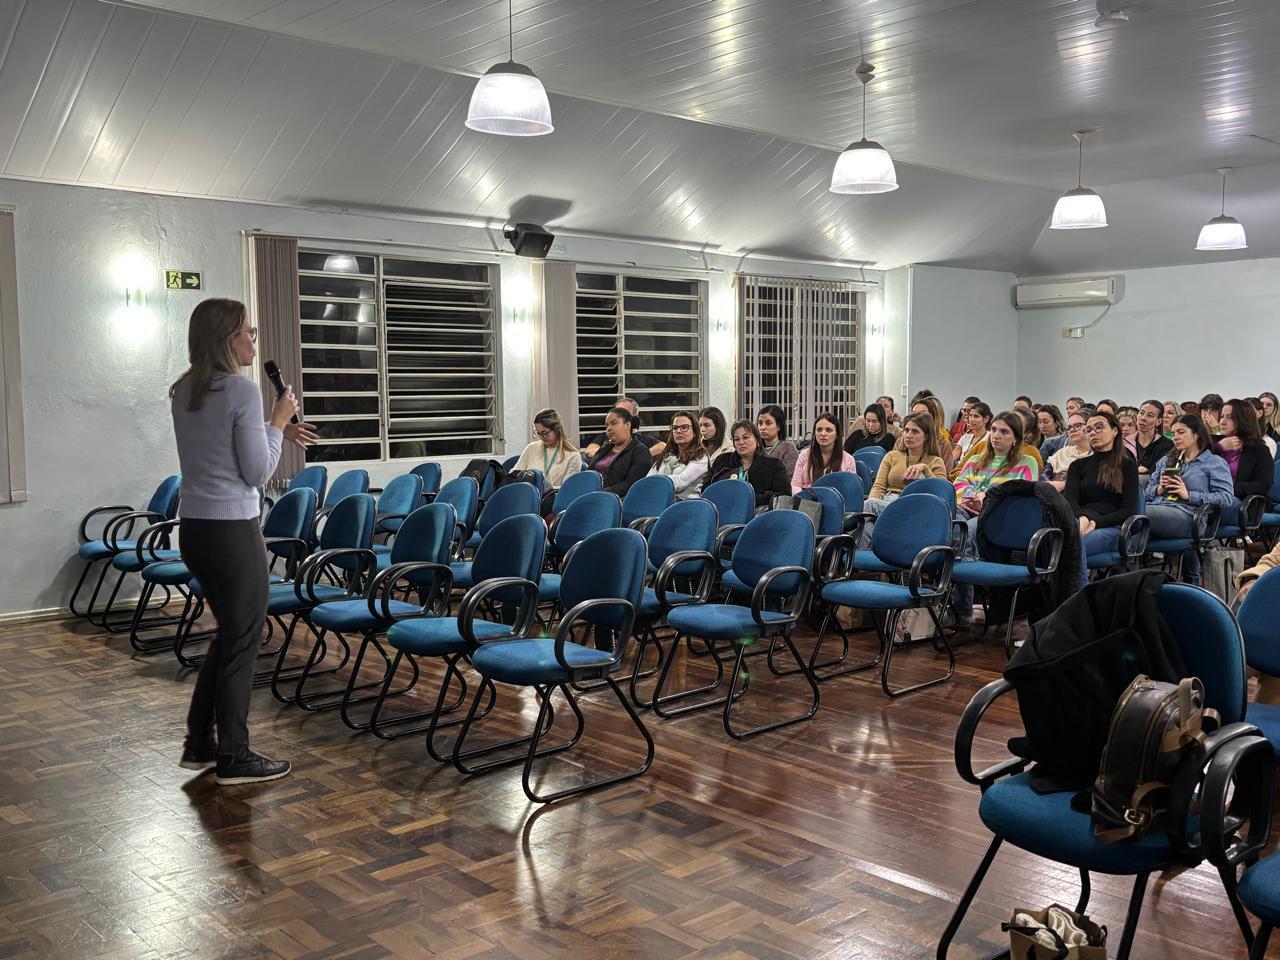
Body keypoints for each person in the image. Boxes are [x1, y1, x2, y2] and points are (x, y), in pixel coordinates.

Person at [170, 298, 317, 785]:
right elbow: (256, 472)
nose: (255, 340)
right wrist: (276, 422)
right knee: (243, 638)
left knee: (229, 634)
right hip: (232, 527)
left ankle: (200, 743)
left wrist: (273, 428)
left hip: (194, 526)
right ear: (229, 337)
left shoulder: (185, 388)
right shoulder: (241, 390)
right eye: (248, 332)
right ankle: (235, 756)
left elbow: (219, 449)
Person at [950, 411, 1040, 624]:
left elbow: (1022, 494)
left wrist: (987, 499)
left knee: (965, 533)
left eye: (1004, 432)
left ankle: (962, 610)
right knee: (949, 523)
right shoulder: (974, 460)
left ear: (1016, 438)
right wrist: (974, 496)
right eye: (994, 430)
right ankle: (948, 602)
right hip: (968, 509)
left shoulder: (1027, 462)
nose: (996, 435)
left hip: (1000, 516)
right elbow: (959, 485)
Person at [1144, 414, 1234, 586]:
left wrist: (1189, 495)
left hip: (1188, 516)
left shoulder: (1214, 462)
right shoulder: (1166, 460)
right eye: (1173, 433)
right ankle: (1134, 578)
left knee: (1138, 513)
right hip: (1159, 510)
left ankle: (1130, 573)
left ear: (1197, 434)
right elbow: (1147, 492)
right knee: (1133, 516)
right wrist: (1159, 489)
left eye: (1181, 432)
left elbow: (1226, 498)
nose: (1175, 437)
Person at [1066, 411, 1139, 587]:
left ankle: (1078, 596)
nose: (1093, 432)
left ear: (1115, 431)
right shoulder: (1077, 466)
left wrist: (1095, 522)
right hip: (1080, 523)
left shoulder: (1127, 465)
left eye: (1099, 427)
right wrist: (1083, 518)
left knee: (1073, 543)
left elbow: (1128, 510)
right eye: (1089, 429)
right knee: (1056, 539)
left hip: (1113, 527)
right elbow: (1069, 502)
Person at [859, 412, 946, 545]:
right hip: (886, 502)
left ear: (926, 436)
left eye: (915, 431)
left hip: (916, 507)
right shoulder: (892, 456)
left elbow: (941, 494)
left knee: (868, 506)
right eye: (906, 430)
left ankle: (860, 552)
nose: (908, 435)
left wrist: (925, 469)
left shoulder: (935, 461)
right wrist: (874, 505)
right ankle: (863, 553)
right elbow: (879, 487)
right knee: (867, 511)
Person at [703, 420, 790, 507]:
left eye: (746, 437)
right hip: (721, 511)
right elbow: (705, 489)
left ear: (757, 440)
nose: (741, 442)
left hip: (757, 514)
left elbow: (784, 497)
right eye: (736, 439)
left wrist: (749, 498)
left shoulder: (773, 465)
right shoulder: (722, 461)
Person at [586, 407, 652, 496]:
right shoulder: (605, 448)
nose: (609, 428)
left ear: (627, 425)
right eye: (607, 425)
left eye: (613, 423)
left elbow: (630, 485)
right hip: (590, 495)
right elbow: (588, 473)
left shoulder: (641, 452)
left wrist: (599, 494)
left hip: (615, 501)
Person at [1216, 399, 1275, 500]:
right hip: (1204, 496)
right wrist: (1219, 447)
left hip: (1238, 499)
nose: (1222, 422)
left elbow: (1263, 485)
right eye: (1221, 416)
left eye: (1229, 417)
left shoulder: (1260, 450)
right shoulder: (1213, 442)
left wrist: (1230, 488)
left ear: (1243, 420)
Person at [513, 408, 582, 491]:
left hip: (552, 499)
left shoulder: (573, 456)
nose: (542, 437)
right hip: (527, 496)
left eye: (544, 432)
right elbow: (515, 475)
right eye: (538, 433)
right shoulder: (531, 448)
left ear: (556, 429)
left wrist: (543, 488)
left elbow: (567, 490)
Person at [648, 410, 709, 499]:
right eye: (675, 427)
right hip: (660, 502)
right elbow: (648, 478)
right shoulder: (667, 455)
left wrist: (656, 482)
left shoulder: (701, 457)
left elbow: (680, 483)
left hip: (687, 505)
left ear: (695, 432)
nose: (679, 431)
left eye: (684, 427)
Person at [792, 411, 853, 493]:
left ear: (837, 435)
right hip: (807, 502)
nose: (823, 434)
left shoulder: (849, 460)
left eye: (828, 430)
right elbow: (795, 485)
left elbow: (850, 490)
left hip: (836, 502)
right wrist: (804, 498)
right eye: (819, 430)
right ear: (814, 434)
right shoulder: (804, 455)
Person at [582, 396, 662, 458]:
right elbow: (590, 450)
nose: (618, 416)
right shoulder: (605, 436)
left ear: (635, 416)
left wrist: (639, 456)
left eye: (624, 413)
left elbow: (662, 446)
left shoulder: (643, 440)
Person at [1042, 410, 1092, 490]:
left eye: (1077, 425)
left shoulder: (1097, 454)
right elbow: (1044, 476)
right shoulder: (1062, 453)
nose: (1072, 430)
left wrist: (1064, 484)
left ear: (1089, 427)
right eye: (1069, 427)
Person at [911, 395, 956, 474]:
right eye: (914, 414)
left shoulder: (943, 443)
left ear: (932, 417)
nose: (917, 418)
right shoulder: (902, 440)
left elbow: (946, 476)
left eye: (922, 414)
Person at [1132, 399, 1174, 476]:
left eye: (1150, 415)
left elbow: (1159, 473)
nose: (1143, 418)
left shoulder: (1167, 445)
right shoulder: (1124, 443)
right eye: (1141, 413)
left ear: (1158, 421)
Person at [756, 404, 799, 478]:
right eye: (760, 423)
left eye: (768, 423)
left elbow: (792, 478)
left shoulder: (787, 448)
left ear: (778, 426)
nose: (762, 427)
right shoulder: (756, 449)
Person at [954, 401, 992, 466]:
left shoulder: (990, 438)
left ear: (986, 419)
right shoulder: (965, 437)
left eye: (976, 416)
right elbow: (953, 457)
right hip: (959, 471)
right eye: (970, 415)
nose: (971, 419)